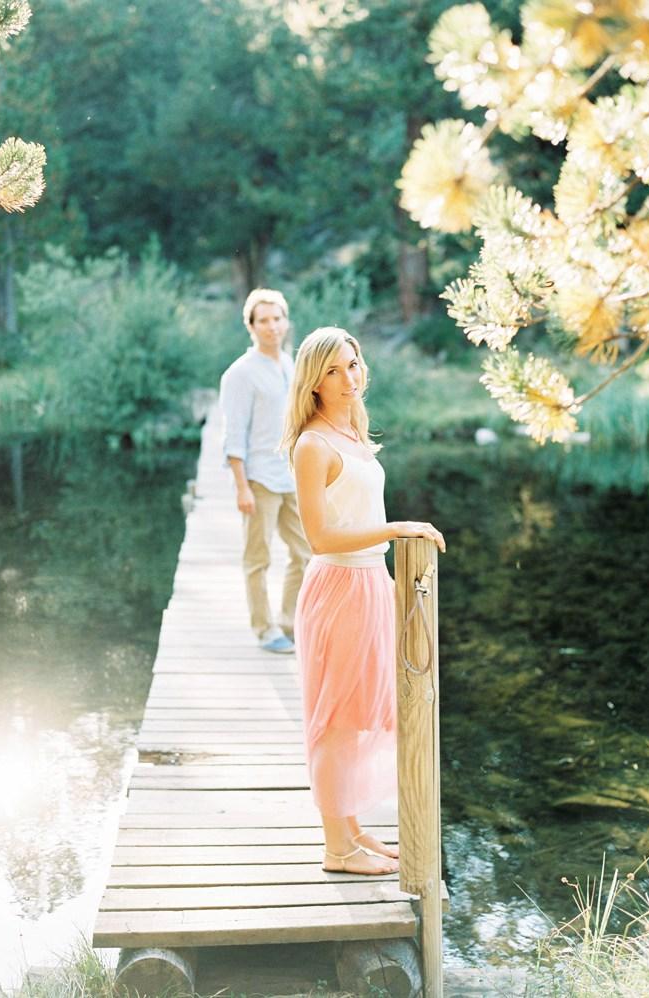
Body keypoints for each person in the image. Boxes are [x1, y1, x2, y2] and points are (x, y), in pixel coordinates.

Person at [282, 327, 445, 875]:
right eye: (332, 370)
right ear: (313, 382)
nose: (348, 378)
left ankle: (351, 827)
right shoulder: (312, 444)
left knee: (360, 712)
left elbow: (355, 514)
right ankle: (337, 849)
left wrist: (393, 584)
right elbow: (322, 538)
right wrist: (397, 528)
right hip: (338, 587)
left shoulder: (350, 431)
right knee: (337, 718)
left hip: (370, 582)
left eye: (352, 365)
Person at [219, 288, 310, 654]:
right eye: (264, 321)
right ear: (251, 327)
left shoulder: (289, 364)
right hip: (259, 479)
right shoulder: (240, 374)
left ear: (286, 322)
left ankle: (289, 622)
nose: (272, 326)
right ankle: (264, 629)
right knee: (258, 558)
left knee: (305, 553)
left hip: (291, 475)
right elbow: (233, 434)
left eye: (277, 318)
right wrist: (242, 487)